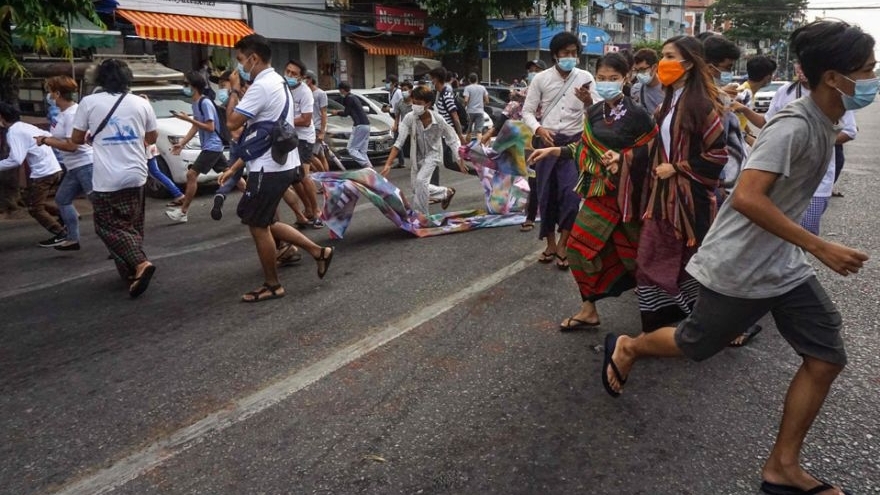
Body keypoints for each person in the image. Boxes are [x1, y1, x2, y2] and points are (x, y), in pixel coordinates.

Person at [601, 20, 874, 495]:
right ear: (834, 78)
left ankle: (782, 467)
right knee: (694, 341)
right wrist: (819, 245)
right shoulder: (794, 126)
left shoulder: (822, 121)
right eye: (867, 69)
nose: (873, 78)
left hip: (782, 266)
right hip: (741, 265)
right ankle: (629, 347)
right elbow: (747, 196)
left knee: (826, 356)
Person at [528, 53, 657, 330]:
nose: (607, 83)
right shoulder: (595, 112)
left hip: (628, 198)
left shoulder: (638, 115)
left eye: (614, 78)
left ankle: (663, 313)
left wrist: (623, 159)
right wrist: (554, 150)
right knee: (577, 248)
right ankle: (589, 309)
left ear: (626, 78)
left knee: (638, 257)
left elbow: (655, 152)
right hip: (600, 195)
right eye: (601, 78)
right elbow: (583, 148)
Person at [223, 33, 334, 302]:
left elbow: (232, 123)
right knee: (266, 220)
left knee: (257, 225)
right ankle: (318, 252)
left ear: (253, 58)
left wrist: (235, 90)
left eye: (240, 60)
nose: (239, 67)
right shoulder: (277, 81)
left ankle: (273, 285)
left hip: (268, 167)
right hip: (278, 162)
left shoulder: (261, 86)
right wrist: (236, 166)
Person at [629, 35, 728, 332]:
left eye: (670, 56)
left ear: (689, 62)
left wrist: (677, 168)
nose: (663, 63)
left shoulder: (701, 104)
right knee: (654, 258)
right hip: (663, 197)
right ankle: (675, 323)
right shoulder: (668, 103)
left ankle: (704, 323)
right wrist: (622, 159)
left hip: (689, 201)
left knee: (687, 261)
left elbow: (718, 154)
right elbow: (657, 147)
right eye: (663, 56)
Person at [71, 58, 159, 297]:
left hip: (107, 178)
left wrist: (94, 136)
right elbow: (151, 138)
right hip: (137, 174)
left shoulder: (89, 102)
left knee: (106, 226)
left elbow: (76, 139)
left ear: (98, 78)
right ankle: (130, 274)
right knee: (132, 225)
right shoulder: (141, 103)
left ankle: (140, 263)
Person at [741, 65, 857, 236]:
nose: (801, 69)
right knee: (776, 232)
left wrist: (812, 140)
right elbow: (767, 122)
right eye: (799, 64)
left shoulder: (835, 93)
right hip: (781, 177)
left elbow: (849, 131)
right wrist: (744, 110)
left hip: (816, 180)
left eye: (806, 64)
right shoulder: (785, 91)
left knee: (806, 232)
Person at [522, 31, 600, 270]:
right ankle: (550, 245)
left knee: (571, 195)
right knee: (545, 194)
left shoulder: (585, 77)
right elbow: (527, 112)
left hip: (574, 144)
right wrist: (538, 129)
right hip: (546, 141)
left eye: (574, 53)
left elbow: (598, 111)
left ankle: (564, 244)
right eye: (566, 53)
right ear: (555, 54)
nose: (570, 57)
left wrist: (588, 101)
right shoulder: (541, 79)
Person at [380, 85, 460, 215]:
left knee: (421, 181)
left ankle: (421, 216)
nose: (415, 106)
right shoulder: (409, 118)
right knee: (416, 188)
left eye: (419, 103)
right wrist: (388, 164)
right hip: (416, 156)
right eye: (414, 102)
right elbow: (399, 142)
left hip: (433, 155)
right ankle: (446, 192)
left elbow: (452, 138)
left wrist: (459, 158)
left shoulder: (438, 119)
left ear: (428, 104)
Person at [38, 75, 94, 251]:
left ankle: (119, 242)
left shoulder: (72, 115)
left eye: (50, 92)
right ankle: (72, 238)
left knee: (101, 206)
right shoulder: (63, 114)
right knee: (62, 199)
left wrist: (46, 141)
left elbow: (72, 146)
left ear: (57, 94)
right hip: (74, 167)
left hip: (85, 165)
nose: (48, 96)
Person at [165, 71, 230, 223]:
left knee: (191, 175)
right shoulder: (196, 103)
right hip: (211, 146)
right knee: (230, 173)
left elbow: (210, 127)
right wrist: (182, 143)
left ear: (194, 86)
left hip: (213, 146)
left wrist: (187, 119)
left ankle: (183, 212)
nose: (184, 87)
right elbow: (195, 127)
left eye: (186, 84)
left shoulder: (204, 103)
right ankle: (251, 197)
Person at [0, 103, 66, 247]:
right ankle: (65, 216)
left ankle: (61, 233)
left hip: (43, 173)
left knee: (35, 208)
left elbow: (16, 160)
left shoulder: (13, 132)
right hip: (53, 169)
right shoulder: (26, 126)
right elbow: (49, 136)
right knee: (31, 199)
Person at [283, 59, 323, 228]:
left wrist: (284, 121)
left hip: (304, 138)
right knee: (294, 178)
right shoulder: (282, 88)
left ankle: (317, 211)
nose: (289, 75)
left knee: (303, 175)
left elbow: (306, 120)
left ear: (301, 77)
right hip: (288, 136)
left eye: (294, 74)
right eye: (288, 71)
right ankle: (307, 210)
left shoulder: (305, 92)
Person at [731, 55, 777, 146]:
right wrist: (745, 137)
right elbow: (729, 120)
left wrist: (747, 129)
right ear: (768, 78)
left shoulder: (748, 91)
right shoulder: (743, 94)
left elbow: (739, 117)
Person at [330, 81, 371, 169]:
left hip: (359, 125)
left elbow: (346, 113)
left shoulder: (348, 98)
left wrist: (337, 112)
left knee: (351, 149)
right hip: (367, 125)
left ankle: (367, 165)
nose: (340, 92)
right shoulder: (354, 97)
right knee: (362, 151)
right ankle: (369, 169)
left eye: (340, 90)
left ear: (342, 90)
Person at [305, 70, 330, 173]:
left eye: (304, 78)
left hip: (317, 127)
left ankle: (322, 176)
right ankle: (326, 176)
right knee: (321, 155)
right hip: (309, 127)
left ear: (310, 80)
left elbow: (324, 113)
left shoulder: (320, 94)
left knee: (309, 154)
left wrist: (322, 132)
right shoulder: (306, 93)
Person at [630, 48, 664, 114]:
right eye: (636, 70)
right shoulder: (635, 89)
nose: (639, 74)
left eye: (642, 70)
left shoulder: (667, 89)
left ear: (654, 67)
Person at [391, 80, 414, 169]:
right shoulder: (399, 103)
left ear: (410, 90)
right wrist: (395, 125)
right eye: (402, 90)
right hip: (404, 126)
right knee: (397, 141)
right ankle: (401, 162)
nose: (403, 92)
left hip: (414, 127)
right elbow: (397, 116)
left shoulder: (415, 101)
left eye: (405, 89)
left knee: (414, 146)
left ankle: (415, 163)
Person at [462, 73, 489, 141]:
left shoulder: (467, 88)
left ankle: (467, 145)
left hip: (470, 112)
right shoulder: (482, 88)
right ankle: (479, 145)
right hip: (480, 111)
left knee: (469, 131)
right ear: (477, 79)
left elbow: (466, 100)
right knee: (479, 131)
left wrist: (464, 107)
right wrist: (482, 105)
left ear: (469, 80)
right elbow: (487, 101)